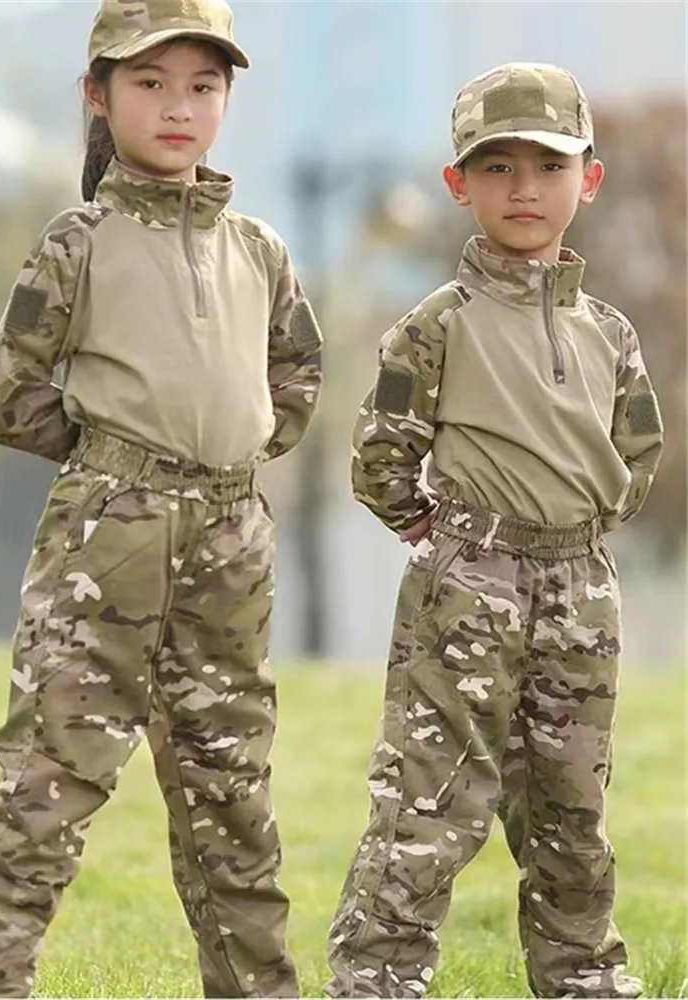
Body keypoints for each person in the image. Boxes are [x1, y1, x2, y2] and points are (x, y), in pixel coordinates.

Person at [0, 2, 322, 996]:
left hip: (230, 546)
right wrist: (119, 455)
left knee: (233, 798)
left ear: (228, 98)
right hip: (107, 543)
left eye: (202, 85)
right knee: (50, 782)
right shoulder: (79, 241)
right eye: (149, 83)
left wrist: (228, 453)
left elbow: (296, 378)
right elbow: (5, 396)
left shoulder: (260, 251)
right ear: (98, 95)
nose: (178, 107)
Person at [325, 62, 662, 999]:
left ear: (588, 180)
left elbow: (637, 453)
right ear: (457, 182)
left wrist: (578, 538)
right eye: (497, 166)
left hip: (581, 593)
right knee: (430, 800)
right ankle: (376, 978)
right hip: (469, 585)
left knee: (572, 807)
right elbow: (380, 456)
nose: (524, 188)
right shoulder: (437, 326)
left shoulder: (610, 334)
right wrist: (447, 535)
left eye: (549, 166)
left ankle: (584, 976)